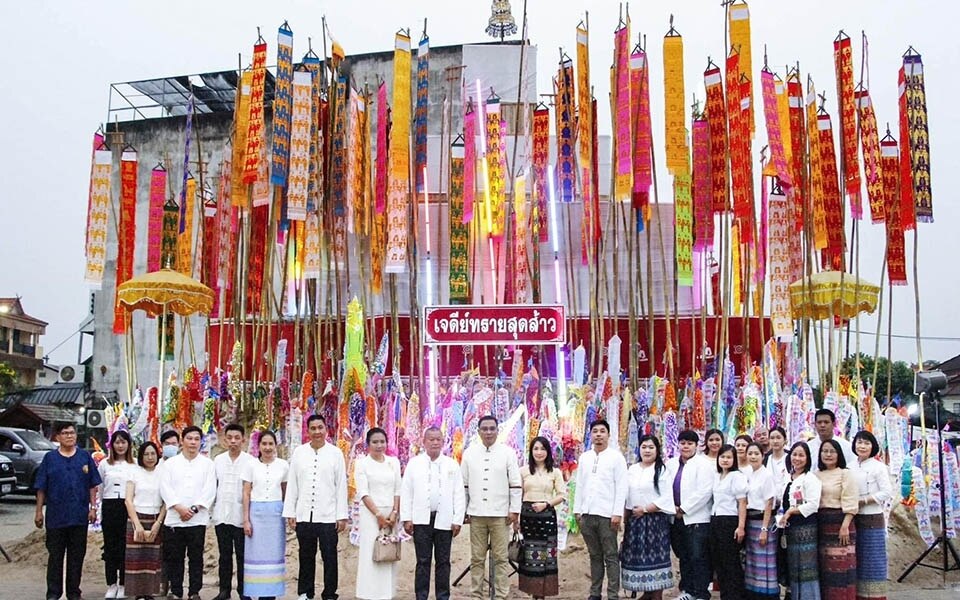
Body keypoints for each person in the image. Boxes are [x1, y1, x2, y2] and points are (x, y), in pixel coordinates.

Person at [34, 422, 102, 600]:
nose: (69, 436)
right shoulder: (50, 458)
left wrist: (93, 508)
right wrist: (39, 511)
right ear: (57, 437)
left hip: (79, 516)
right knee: (55, 557)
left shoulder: (84, 457)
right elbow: (41, 487)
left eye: (72, 433)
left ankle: (74, 592)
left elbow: (92, 486)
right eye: (65, 433)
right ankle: (54, 593)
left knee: (76, 557)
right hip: (56, 517)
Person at [283, 414, 348, 600]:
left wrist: (341, 515)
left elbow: (340, 486)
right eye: (313, 428)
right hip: (304, 515)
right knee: (306, 555)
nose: (317, 432)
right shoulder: (299, 453)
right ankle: (305, 592)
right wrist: (291, 512)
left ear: (326, 429)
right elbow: (293, 484)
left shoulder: (335, 453)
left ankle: (329, 593)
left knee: (329, 557)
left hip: (328, 515)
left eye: (320, 427)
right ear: (308, 430)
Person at [460, 415, 522, 600]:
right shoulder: (469, 453)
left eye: (492, 428)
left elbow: (516, 484)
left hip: (501, 515)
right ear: (478, 431)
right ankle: (476, 595)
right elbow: (463, 486)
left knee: (501, 558)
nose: (488, 432)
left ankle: (501, 596)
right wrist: (463, 511)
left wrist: (514, 510)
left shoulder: (507, 453)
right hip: (476, 514)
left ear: (497, 430)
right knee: (477, 558)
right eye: (484, 429)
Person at [400, 426, 465, 600]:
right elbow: (406, 492)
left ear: (443, 442)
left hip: (445, 520)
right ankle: (421, 596)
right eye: (431, 439)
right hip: (421, 521)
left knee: (443, 562)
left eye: (438, 439)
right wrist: (406, 518)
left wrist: (457, 519)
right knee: (423, 561)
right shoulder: (414, 464)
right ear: (424, 442)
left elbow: (459, 494)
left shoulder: (451, 464)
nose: (435, 442)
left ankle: (442, 596)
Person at [159, 425, 217, 600]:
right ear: (182, 441)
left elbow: (210, 490)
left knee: (196, 558)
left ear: (200, 442)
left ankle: (194, 591)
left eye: (196, 439)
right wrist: (179, 507)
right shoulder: (170, 464)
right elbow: (165, 488)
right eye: (189, 438)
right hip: (174, 519)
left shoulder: (207, 464)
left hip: (197, 519)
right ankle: (176, 590)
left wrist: (193, 508)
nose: (193, 442)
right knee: (174, 558)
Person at [574, 419, 628, 600]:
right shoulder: (585, 458)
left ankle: (613, 594)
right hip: (587, 514)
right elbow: (579, 485)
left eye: (602, 431)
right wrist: (577, 511)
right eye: (595, 431)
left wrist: (617, 513)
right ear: (590, 435)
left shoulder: (616, 458)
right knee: (594, 555)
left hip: (607, 515)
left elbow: (621, 487)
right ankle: (595, 593)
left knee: (611, 556)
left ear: (608, 434)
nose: (598, 434)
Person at [620, 434, 675, 599]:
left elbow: (666, 497)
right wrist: (625, 519)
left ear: (657, 450)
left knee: (655, 557)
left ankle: (656, 594)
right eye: (644, 447)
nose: (647, 450)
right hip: (635, 522)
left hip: (655, 522)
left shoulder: (662, 470)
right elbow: (627, 496)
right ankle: (646, 592)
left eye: (651, 447)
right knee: (637, 557)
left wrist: (645, 509)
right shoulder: (632, 469)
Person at [354, 427, 402, 600]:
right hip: (371, 514)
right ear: (368, 444)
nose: (379, 445)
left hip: (391, 515)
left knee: (389, 549)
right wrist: (378, 516)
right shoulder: (362, 464)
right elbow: (364, 492)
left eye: (382, 441)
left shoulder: (393, 462)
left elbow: (398, 489)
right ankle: (369, 593)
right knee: (371, 552)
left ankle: (386, 593)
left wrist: (394, 513)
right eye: (375, 442)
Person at [241, 430, 289, 600]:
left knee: (274, 554)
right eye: (264, 444)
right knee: (255, 555)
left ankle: (269, 594)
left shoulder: (283, 465)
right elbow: (246, 493)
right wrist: (246, 520)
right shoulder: (251, 465)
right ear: (258, 446)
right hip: (256, 515)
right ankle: (253, 592)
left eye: (271, 444)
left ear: (276, 445)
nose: (268, 447)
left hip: (275, 516)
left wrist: (287, 514)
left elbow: (285, 492)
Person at [669, 430, 715, 600]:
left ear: (696, 445)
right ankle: (687, 590)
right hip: (675, 518)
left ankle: (701, 592)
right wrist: (672, 508)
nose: (686, 446)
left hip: (697, 518)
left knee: (698, 556)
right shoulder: (672, 463)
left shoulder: (703, 465)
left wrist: (684, 509)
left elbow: (705, 491)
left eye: (689, 443)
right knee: (684, 555)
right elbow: (666, 486)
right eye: (683, 443)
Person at [518, 436, 566, 599]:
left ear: (548, 451)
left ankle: (542, 593)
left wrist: (546, 504)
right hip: (528, 518)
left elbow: (561, 495)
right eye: (536, 449)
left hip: (546, 517)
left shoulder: (555, 472)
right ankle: (532, 590)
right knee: (529, 554)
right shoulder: (523, 471)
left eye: (543, 449)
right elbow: (518, 495)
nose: (539, 452)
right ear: (531, 452)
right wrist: (516, 520)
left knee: (546, 555)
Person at [212, 423, 256, 600]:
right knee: (224, 555)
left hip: (241, 516)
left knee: (242, 555)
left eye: (237, 438)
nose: (233, 441)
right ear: (224, 440)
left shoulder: (251, 462)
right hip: (222, 514)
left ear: (243, 440)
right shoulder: (218, 461)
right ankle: (224, 590)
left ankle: (244, 590)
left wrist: (248, 518)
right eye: (229, 438)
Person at [777, 442, 822, 600]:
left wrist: (790, 511)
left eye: (801, 455)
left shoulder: (810, 479)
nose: (797, 458)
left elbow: (812, 505)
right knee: (792, 566)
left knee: (806, 568)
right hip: (789, 529)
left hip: (805, 529)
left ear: (808, 458)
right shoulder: (787, 477)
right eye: (794, 454)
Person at [850, 430, 892, 600]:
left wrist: (865, 500)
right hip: (853, 518)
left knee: (873, 561)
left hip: (872, 518)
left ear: (873, 446)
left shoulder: (878, 467)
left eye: (866, 443)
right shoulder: (850, 466)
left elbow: (887, 492)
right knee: (856, 560)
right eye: (859, 442)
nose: (862, 446)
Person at [816, 439, 859, 600]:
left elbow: (850, 500)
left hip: (841, 524)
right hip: (821, 525)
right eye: (824, 451)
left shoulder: (845, 473)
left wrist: (845, 525)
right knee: (824, 569)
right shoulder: (815, 475)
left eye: (832, 451)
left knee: (841, 569)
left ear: (838, 454)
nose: (828, 455)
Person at [124, 441, 167, 600]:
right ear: (141, 456)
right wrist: (137, 525)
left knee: (152, 559)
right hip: (136, 518)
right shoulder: (134, 472)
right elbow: (128, 500)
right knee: (136, 559)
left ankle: (150, 593)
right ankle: (137, 593)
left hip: (155, 518)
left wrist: (158, 523)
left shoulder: (162, 473)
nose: (150, 457)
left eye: (153, 454)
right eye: (146, 454)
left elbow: (166, 501)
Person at [99, 429, 136, 599]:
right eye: (117, 442)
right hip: (110, 506)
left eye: (123, 442)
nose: (120, 446)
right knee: (110, 546)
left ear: (128, 445)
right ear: (112, 445)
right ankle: (111, 584)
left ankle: (123, 584)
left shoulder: (134, 464)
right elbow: (100, 488)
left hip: (127, 507)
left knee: (125, 546)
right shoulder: (105, 464)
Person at [709, 444, 748, 600]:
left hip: (730, 521)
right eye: (722, 457)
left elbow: (742, 502)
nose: (725, 460)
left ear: (734, 459)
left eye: (728, 457)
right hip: (716, 519)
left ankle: (735, 596)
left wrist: (740, 527)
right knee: (719, 562)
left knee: (730, 562)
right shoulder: (717, 476)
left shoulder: (737, 476)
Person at [743, 442, 779, 600]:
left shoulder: (767, 475)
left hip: (763, 522)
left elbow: (769, 503)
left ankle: (767, 595)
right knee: (752, 561)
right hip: (750, 522)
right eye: (750, 453)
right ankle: (753, 593)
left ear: (762, 455)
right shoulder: (748, 474)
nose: (753, 456)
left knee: (765, 561)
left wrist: (764, 529)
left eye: (756, 453)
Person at [157, 428, 180, 598]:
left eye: (174, 444)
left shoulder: (181, 465)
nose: (170, 447)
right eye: (167, 444)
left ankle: (171, 585)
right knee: (156, 551)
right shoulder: (155, 464)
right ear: (161, 446)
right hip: (154, 512)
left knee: (172, 552)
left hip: (174, 513)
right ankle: (158, 584)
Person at [763, 427, 789, 494]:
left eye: (778, 438)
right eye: (772, 438)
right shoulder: (765, 460)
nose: (775, 441)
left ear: (785, 439)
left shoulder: (791, 458)